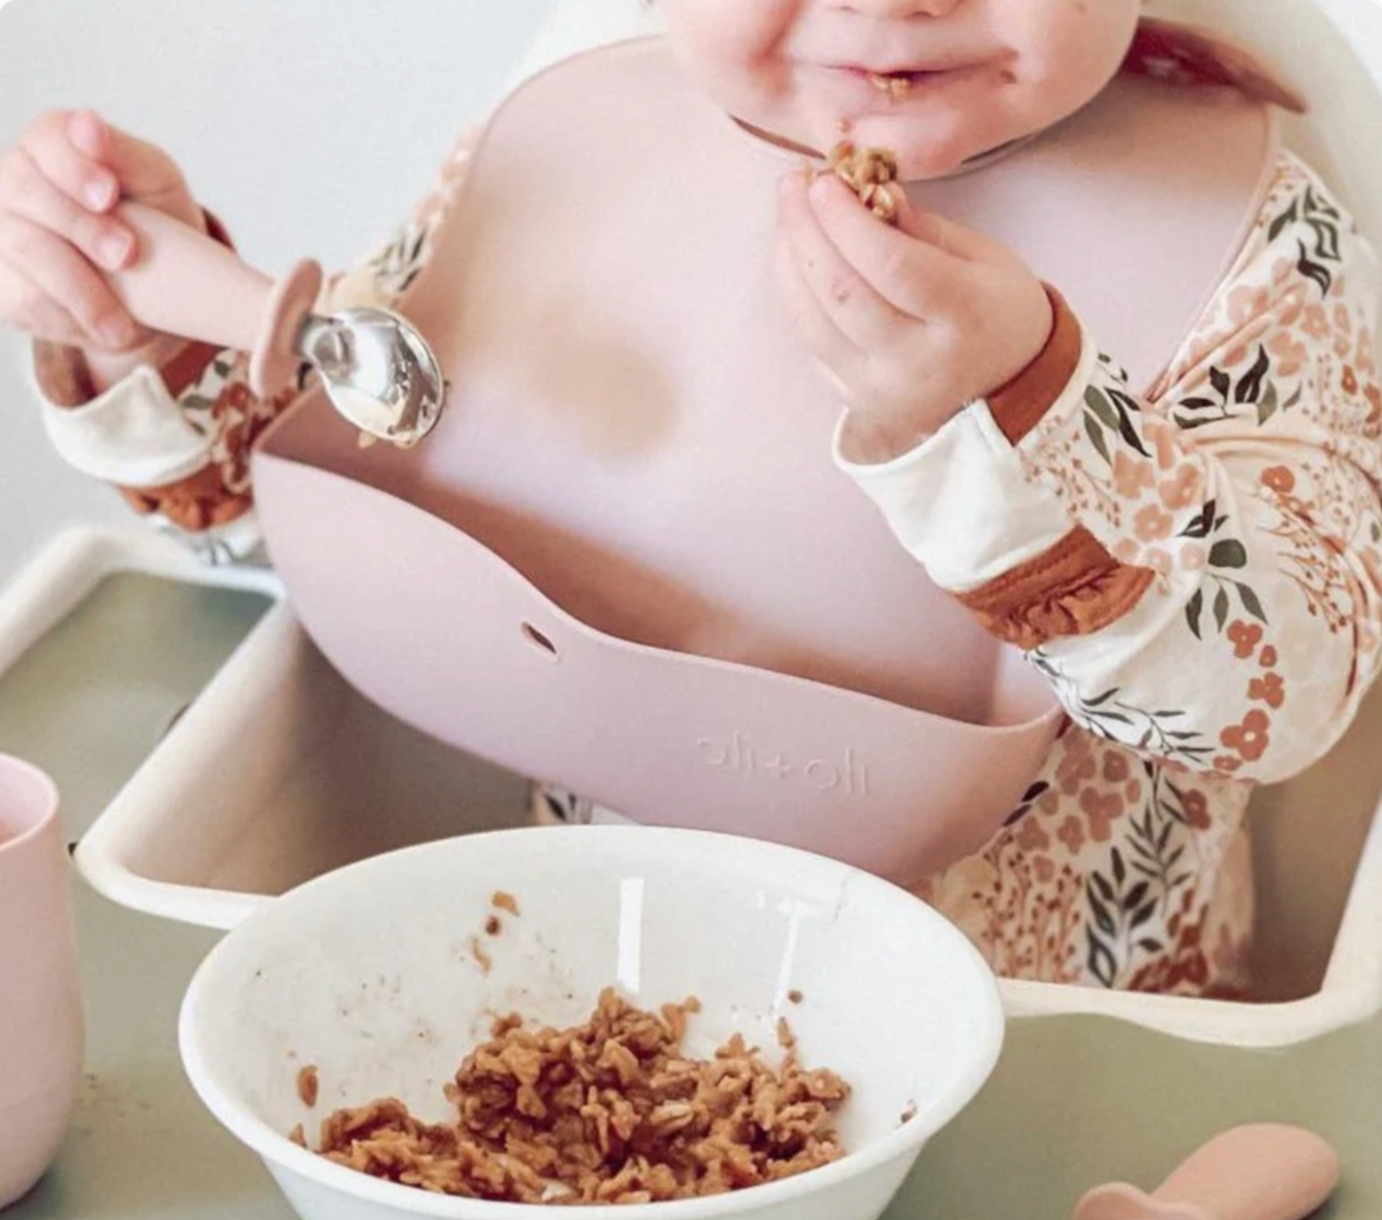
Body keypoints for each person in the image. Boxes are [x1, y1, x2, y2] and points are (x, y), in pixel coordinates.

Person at [2, 0, 1379, 995]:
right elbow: (308, 487)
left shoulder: (1256, 242)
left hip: (1067, 1042)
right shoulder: (564, 148)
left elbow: (1288, 697)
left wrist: (1023, 412)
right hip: (596, 995)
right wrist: (153, 325)